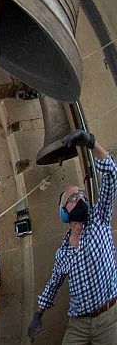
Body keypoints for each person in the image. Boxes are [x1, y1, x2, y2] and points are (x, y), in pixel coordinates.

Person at [27, 129, 117, 344]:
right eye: (73, 197)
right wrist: (38, 314)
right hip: (77, 324)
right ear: (63, 212)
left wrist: (91, 142)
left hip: (108, 319)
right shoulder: (63, 252)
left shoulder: (99, 219)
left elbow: (112, 175)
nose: (81, 198)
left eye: (82, 195)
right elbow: (53, 284)